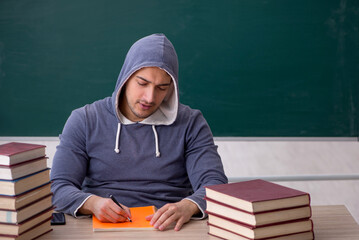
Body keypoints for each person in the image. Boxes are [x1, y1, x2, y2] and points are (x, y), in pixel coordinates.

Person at [50, 33, 228, 231]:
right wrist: (92, 204)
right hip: (100, 228)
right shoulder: (85, 119)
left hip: (170, 230)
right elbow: (58, 186)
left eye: (162, 88)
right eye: (142, 83)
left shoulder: (191, 122)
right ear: (125, 77)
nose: (150, 98)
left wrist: (189, 206)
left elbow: (215, 185)